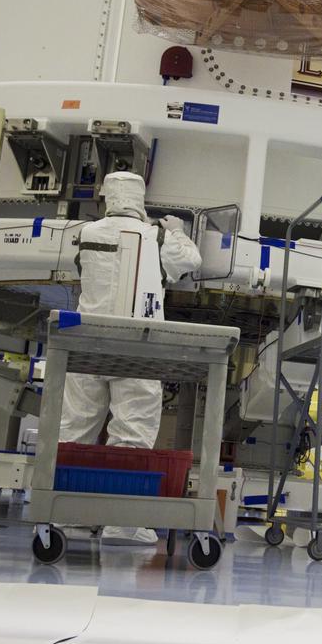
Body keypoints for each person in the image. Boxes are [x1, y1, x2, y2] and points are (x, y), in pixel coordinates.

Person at [59, 172, 202, 545]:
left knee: (75, 429)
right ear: (139, 198)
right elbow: (191, 260)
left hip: (86, 343)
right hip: (138, 347)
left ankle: (63, 514)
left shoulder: (87, 233)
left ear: (108, 196)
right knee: (133, 430)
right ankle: (120, 523)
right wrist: (178, 229)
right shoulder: (155, 237)